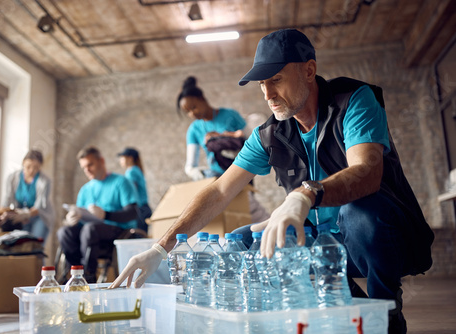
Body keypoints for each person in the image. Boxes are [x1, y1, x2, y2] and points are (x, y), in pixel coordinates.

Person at [110, 29, 434, 334]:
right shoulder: (270, 134)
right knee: (243, 238)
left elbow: (367, 172)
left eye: (276, 79)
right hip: (322, 244)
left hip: (380, 235)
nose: (267, 94)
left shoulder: (353, 101)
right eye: (261, 84)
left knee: (358, 213)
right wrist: (160, 248)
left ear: (309, 70)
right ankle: (345, 305)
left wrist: (304, 195)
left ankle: (385, 306)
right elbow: (220, 190)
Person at [177, 76, 270, 223]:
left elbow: (251, 141)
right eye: (187, 111)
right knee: (230, 220)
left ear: (202, 98)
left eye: (193, 107)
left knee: (252, 213)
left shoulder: (230, 115)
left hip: (242, 172)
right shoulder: (194, 130)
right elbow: (190, 166)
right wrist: (197, 173)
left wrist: (225, 137)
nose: (192, 114)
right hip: (218, 178)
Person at [57, 146, 141, 283]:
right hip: (89, 236)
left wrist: (106, 215)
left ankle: (88, 277)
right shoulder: (85, 190)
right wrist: (71, 219)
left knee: (89, 229)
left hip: (117, 232)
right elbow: (79, 218)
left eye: (90, 165)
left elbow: (133, 213)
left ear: (101, 161)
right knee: (64, 232)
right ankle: (75, 275)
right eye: (84, 167)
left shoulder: (121, 182)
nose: (87, 170)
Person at [0, 150, 55, 242]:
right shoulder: (12, 178)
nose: (31, 170)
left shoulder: (45, 181)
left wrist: (26, 214)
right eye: (28, 166)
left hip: (40, 216)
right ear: (23, 163)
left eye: (36, 168)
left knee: (35, 245)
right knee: (22, 244)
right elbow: (6, 201)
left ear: (40, 167)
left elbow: (39, 207)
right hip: (21, 218)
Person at [117, 147, 152, 233]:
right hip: (144, 208)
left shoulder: (131, 172)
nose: (120, 160)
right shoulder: (136, 170)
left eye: (122, 157)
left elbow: (130, 191)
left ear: (130, 158)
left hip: (140, 209)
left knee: (139, 238)